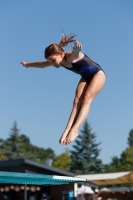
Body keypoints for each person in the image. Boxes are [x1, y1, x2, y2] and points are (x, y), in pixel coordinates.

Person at [21, 33, 106, 145]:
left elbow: (75, 54)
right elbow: (42, 64)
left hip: (97, 75)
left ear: (61, 54)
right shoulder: (58, 61)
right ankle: (67, 130)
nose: (51, 63)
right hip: (85, 77)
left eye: (52, 60)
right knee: (76, 101)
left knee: (86, 99)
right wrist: (28, 64)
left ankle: (75, 129)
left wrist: (76, 49)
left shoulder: (70, 56)